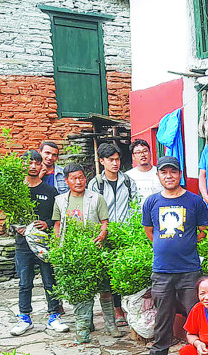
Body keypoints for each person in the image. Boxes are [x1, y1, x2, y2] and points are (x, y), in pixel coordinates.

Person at [140, 156, 208, 355]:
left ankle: (202, 350)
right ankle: (159, 352)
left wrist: (186, 243)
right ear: (158, 175)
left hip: (189, 269)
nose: (169, 176)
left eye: (173, 172)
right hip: (162, 270)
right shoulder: (152, 202)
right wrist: (165, 246)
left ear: (180, 174)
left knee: (195, 311)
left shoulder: (194, 201)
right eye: (164, 172)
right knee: (163, 312)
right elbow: (149, 231)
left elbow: (203, 231)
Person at [52, 163, 119, 343]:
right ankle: (83, 327)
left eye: (81, 177)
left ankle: (110, 324)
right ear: (66, 181)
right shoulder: (60, 200)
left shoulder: (96, 198)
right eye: (74, 178)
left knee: (105, 288)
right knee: (81, 291)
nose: (78, 181)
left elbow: (105, 221)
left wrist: (102, 233)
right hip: (74, 253)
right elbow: (57, 225)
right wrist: (58, 246)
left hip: (96, 249)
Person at [10, 150, 68, 336]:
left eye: (37, 163)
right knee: (24, 282)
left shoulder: (50, 191)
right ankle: (24, 317)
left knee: (49, 280)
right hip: (23, 245)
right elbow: (8, 216)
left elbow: (59, 216)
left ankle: (54, 316)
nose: (33, 166)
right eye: (30, 163)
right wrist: (16, 227)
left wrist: (47, 224)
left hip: (45, 244)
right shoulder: (15, 191)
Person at [88, 142, 137, 327]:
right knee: (107, 274)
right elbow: (92, 211)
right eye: (110, 160)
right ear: (102, 161)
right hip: (104, 234)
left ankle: (125, 307)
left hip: (124, 233)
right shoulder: (96, 184)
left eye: (117, 159)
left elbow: (134, 205)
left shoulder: (127, 181)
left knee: (123, 272)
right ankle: (115, 309)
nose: (115, 163)